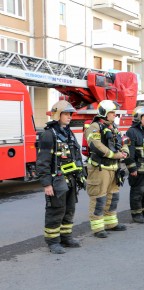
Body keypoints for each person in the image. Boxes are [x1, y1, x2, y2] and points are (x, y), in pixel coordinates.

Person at [36, 100, 85, 254]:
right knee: (56, 210)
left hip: (70, 179)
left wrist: (81, 174)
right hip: (56, 181)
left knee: (69, 209)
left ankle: (66, 237)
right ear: (58, 114)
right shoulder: (48, 135)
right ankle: (53, 242)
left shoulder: (67, 133)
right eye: (66, 114)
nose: (70, 116)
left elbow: (76, 155)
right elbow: (42, 161)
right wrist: (46, 184)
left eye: (70, 114)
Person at [84, 100, 129, 238]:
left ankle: (111, 223)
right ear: (104, 113)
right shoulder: (94, 127)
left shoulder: (113, 127)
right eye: (111, 112)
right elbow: (96, 145)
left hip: (113, 168)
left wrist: (125, 151)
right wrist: (115, 155)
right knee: (99, 197)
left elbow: (123, 140)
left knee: (112, 197)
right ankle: (98, 228)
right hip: (100, 169)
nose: (114, 115)